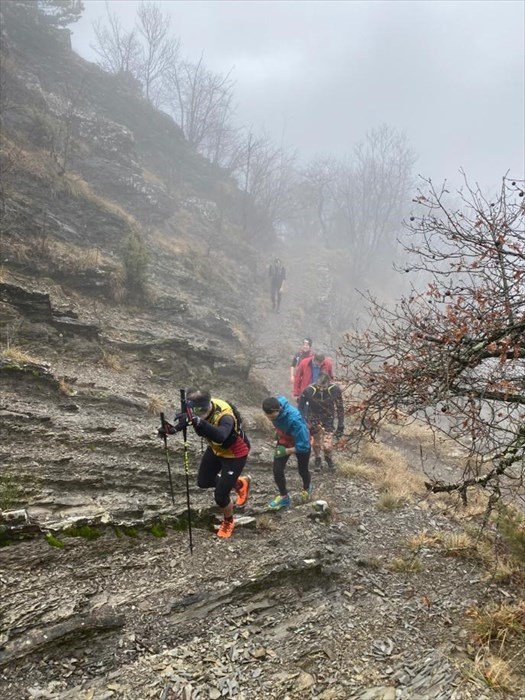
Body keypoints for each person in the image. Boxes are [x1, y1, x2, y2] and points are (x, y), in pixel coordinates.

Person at [159, 388, 251, 539]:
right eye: (193, 411)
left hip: (234, 454)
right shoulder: (196, 411)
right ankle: (239, 484)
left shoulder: (225, 416)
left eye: (199, 411)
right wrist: (172, 429)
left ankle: (228, 521)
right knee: (204, 481)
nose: (196, 413)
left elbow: (221, 436)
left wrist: (198, 421)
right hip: (216, 450)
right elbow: (187, 420)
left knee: (221, 496)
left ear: (205, 406)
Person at [262, 395, 312, 510]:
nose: (270, 419)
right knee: (277, 469)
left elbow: (304, 445)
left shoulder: (295, 420)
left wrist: (287, 451)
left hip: (300, 440)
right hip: (285, 438)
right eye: (267, 417)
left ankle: (307, 488)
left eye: (272, 416)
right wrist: (278, 434)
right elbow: (277, 421)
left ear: (278, 410)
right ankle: (284, 497)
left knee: (303, 469)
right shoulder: (274, 405)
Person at [298, 372, 344, 471]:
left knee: (327, 446)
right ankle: (318, 459)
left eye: (324, 386)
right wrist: (303, 420)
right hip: (313, 417)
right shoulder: (309, 390)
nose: (322, 389)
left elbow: (340, 407)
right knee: (317, 442)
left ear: (329, 383)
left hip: (328, 417)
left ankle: (328, 458)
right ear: (316, 382)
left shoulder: (335, 390)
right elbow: (300, 406)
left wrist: (341, 424)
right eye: (319, 386)